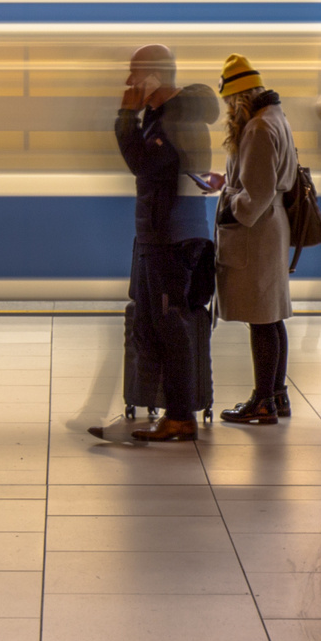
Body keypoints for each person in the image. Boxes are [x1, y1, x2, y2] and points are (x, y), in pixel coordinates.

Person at [112, 44, 216, 443]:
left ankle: (179, 418)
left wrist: (126, 116)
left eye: (135, 73)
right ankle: (171, 412)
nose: (129, 82)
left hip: (173, 237)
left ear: (154, 76)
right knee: (157, 324)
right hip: (162, 234)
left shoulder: (177, 118)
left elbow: (143, 164)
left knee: (172, 327)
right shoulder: (167, 116)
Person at [202, 54, 298, 425]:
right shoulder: (275, 118)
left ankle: (262, 402)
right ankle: (277, 394)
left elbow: (255, 196)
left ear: (239, 97)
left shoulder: (258, 128)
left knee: (261, 318)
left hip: (257, 234)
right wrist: (226, 182)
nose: (227, 110)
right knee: (272, 316)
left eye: (228, 102)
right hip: (271, 228)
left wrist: (229, 200)